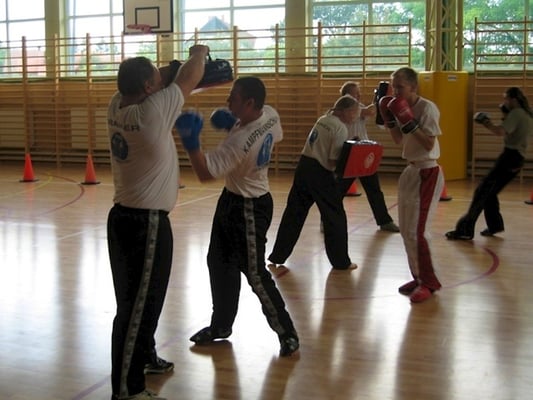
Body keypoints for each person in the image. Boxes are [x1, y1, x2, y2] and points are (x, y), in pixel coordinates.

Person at [106, 44, 209, 400]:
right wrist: (199, 53)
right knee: (136, 310)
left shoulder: (117, 104)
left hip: (123, 218)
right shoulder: (154, 110)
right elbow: (189, 77)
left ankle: (145, 356)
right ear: (149, 88)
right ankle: (128, 390)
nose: (160, 79)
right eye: (154, 78)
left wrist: (162, 70)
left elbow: (158, 78)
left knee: (140, 302)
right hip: (145, 223)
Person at [174, 76, 299, 357]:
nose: (228, 100)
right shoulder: (270, 114)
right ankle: (221, 326)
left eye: (234, 97)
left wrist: (191, 143)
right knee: (218, 262)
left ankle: (287, 332)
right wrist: (233, 122)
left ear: (250, 103)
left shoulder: (240, 142)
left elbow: (205, 173)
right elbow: (275, 134)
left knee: (254, 272)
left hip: (249, 207)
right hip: (232, 199)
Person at [267, 95, 359, 271]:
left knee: (294, 213)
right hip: (320, 172)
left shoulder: (323, 119)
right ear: (345, 111)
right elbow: (332, 160)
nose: (355, 117)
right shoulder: (340, 128)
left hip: (304, 167)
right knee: (335, 217)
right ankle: (341, 262)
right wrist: (351, 154)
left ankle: (277, 255)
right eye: (354, 112)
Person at [379, 67, 444, 303]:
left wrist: (410, 122)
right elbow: (399, 140)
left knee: (418, 232)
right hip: (410, 171)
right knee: (407, 231)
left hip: (428, 171)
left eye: (400, 87)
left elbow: (428, 144)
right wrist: (390, 119)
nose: (396, 91)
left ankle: (430, 282)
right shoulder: (398, 105)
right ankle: (418, 278)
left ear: (413, 87)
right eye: (393, 87)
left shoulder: (427, 108)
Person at [446, 87, 533, 240]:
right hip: (517, 158)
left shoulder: (517, 113)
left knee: (482, 191)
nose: (504, 101)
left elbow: (500, 131)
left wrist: (486, 122)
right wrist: (505, 115)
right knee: (489, 192)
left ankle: (465, 229)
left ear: (513, 99)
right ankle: (495, 225)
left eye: (505, 98)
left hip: (510, 157)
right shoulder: (526, 113)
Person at [338, 81, 400, 232]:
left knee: (373, 189)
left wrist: (377, 99)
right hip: (350, 152)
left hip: (362, 151)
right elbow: (370, 111)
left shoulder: (356, 105)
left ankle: (384, 221)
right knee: (339, 190)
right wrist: (380, 97)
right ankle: (326, 219)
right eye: (356, 92)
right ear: (348, 93)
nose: (359, 95)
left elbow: (370, 112)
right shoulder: (347, 104)